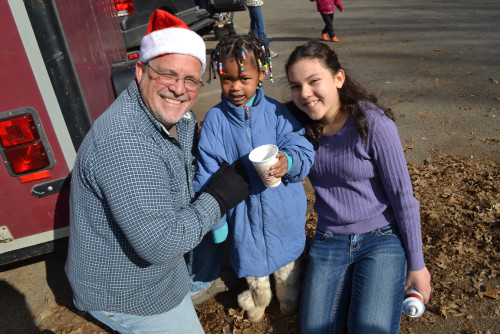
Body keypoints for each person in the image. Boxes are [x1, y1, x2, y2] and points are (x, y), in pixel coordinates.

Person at [65, 10, 250, 334]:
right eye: (168, 75)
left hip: (160, 276)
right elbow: (161, 243)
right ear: (140, 71)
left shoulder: (177, 118)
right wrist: (219, 196)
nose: (180, 89)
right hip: (127, 292)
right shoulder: (126, 142)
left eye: (191, 80)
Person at [285, 41, 431, 333]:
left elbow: (403, 198)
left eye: (314, 81)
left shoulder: (372, 123)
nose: (305, 94)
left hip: (382, 239)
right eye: (295, 86)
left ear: (338, 78)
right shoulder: (295, 126)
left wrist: (417, 265)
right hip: (329, 241)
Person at [191, 32, 315, 322]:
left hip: (283, 212)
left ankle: (289, 303)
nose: (235, 87)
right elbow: (207, 175)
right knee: (254, 271)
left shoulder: (276, 113)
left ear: (261, 74)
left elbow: (301, 146)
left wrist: (290, 160)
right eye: (227, 79)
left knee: (287, 271)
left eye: (243, 79)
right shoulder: (216, 121)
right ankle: (258, 302)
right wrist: (217, 222)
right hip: (243, 218)